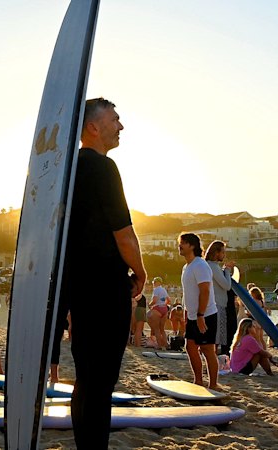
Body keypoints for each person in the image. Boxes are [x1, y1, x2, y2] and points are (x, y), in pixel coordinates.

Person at [62, 98, 147, 449]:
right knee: (101, 380)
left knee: (86, 377)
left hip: (79, 286)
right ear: (93, 127)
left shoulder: (71, 170)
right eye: (115, 119)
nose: (121, 126)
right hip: (105, 285)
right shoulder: (101, 167)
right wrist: (140, 272)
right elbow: (123, 231)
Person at [178, 232, 218, 388]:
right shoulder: (186, 267)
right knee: (190, 347)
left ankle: (213, 384)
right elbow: (188, 292)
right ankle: (198, 381)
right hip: (194, 315)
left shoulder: (200, 264)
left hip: (206, 314)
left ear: (192, 245)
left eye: (183, 243)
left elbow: (205, 291)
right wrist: (187, 314)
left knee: (207, 349)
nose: (179, 246)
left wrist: (201, 315)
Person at [203, 240, 235, 355]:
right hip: (217, 305)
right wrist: (227, 270)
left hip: (212, 304)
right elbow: (226, 285)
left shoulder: (208, 265)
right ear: (216, 253)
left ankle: (212, 363)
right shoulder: (213, 266)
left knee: (212, 339)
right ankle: (213, 364)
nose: (224, 255)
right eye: (223, 252)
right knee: (215, 340)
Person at [148, 277, 170, 350]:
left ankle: (159, 345)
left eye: (154, 282)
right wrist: (163, 304)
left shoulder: (156, 289)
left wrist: (150, 305)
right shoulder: (163, 289)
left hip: (157, 308)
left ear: (157, 282)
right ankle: (166, 344)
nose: (153, 284)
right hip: (164, 308)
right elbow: (168, 300)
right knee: (162, 329)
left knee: (156, 328)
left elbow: (154, 300)